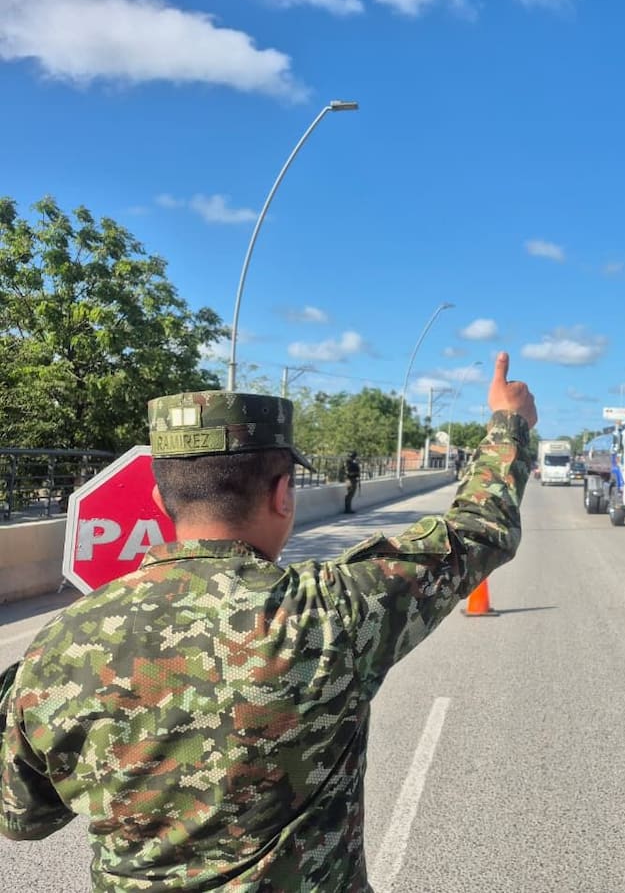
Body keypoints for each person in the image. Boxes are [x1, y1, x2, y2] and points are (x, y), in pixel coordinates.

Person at [0, 352, 537, 891]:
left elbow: (23, 818)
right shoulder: (331, 611)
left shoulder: (60, 647)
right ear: (283, 494)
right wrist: (506, 423)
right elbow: (479, 529)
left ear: (161, 500)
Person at [344, 449, 361, 513]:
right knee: (350, 494)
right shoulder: (349, 462)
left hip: (352, 479)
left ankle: (348, 508)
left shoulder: (352, 462)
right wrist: (355, 473)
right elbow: (348, 472)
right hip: (350, 479)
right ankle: (347, 509)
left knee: (351, 494)